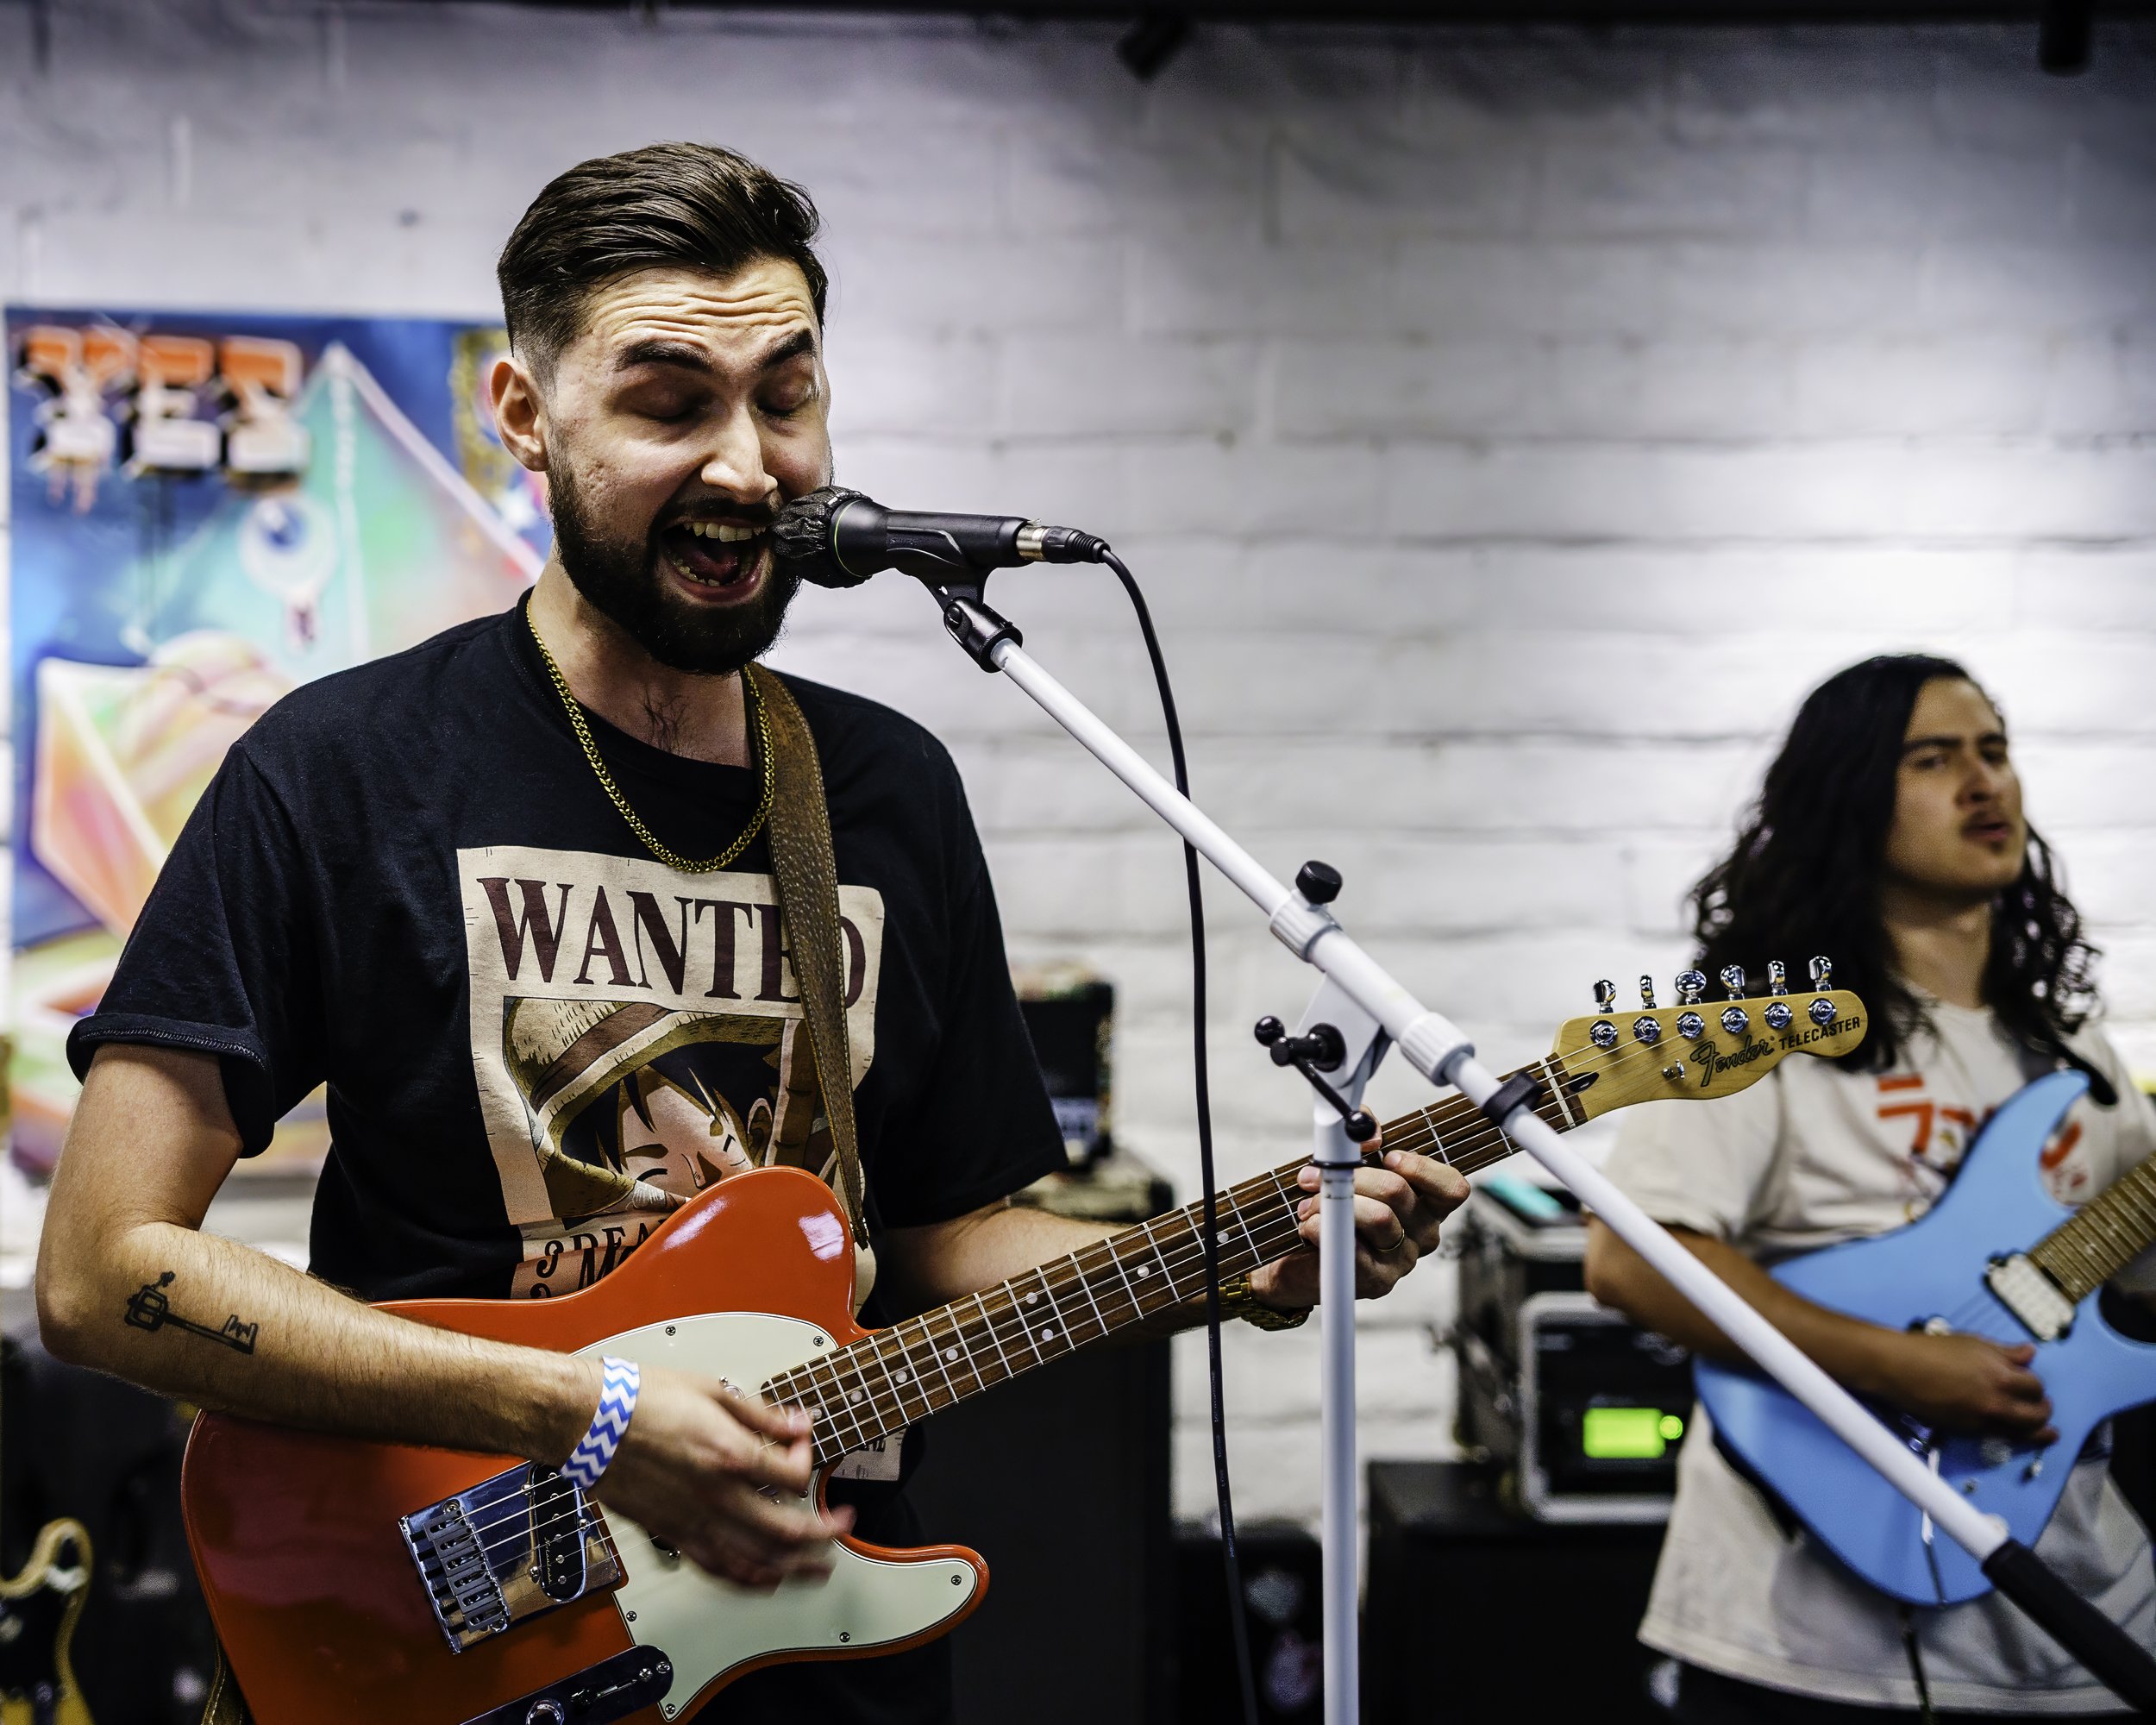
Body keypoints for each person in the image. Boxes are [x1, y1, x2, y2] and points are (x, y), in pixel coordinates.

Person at [31, 142, 1468, 1725]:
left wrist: (1218, 1266)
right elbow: (103, 1272)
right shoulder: (338, 771)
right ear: (525, 419)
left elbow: (930, 1234)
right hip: (467, 1620)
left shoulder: (883, 791)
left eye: (786, 397)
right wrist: (582, 1408)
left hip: (808, 1636)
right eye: (669, 402)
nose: (748, 463)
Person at [1585, 655, 2156, 1720]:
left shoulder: (2073, 1053)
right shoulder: (1761, 1027)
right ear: (1847, 797)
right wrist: (1904, 1363)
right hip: (1806, 1634)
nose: (1983, 783)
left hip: (2083, 1620)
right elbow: (1632, 1260)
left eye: (1994, 750)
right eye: (1933, 760)